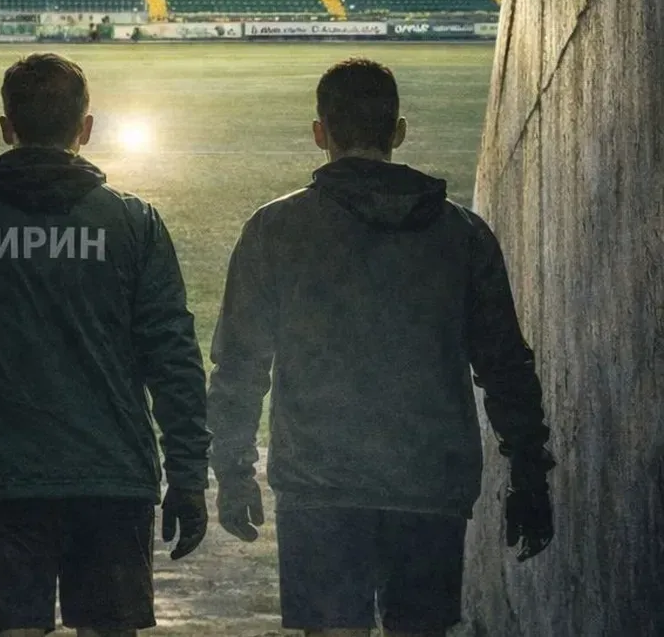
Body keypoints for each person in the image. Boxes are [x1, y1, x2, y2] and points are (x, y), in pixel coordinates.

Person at [208, 58, 556, 637]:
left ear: (320, 132)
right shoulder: (462, 234)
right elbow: (504, 366)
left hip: (319, 481)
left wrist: (234, 469)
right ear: (398, 132)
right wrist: (529, 470)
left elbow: (241, 365)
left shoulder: (274, 229)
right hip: (430, 480)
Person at [0, 53, 211, 637]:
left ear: (6, 127)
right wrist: (188, 474)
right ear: (85, 129)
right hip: (109, 475)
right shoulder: (133, 222)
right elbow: (173, 357)